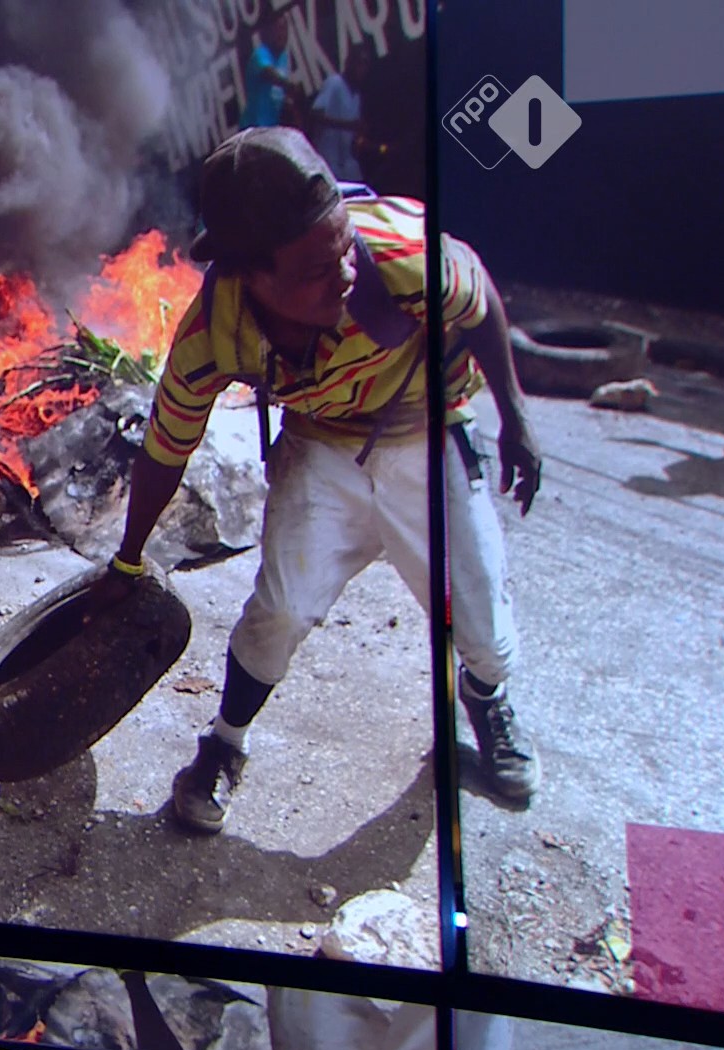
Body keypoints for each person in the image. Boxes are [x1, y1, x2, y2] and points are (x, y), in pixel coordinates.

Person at [93, 127, 543, 834]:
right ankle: (224, 744)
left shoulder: (397, 250)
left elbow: (478, 292)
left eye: (344, 249)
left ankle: (484, 699)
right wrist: (127, 560)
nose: (344, 274)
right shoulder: (215, 333)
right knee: (281, 609)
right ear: (251, 275)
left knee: (484, 626)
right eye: (314, 269)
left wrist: (517, 420)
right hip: (323, 441)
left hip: (425, 426)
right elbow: (166, 448)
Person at [310, 48, 370, 182]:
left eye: (365, 65)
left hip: (347, 165)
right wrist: (348, 125)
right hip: (328, 161)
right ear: (348, 63)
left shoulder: (357, 95)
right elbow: (315, 115)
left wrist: (358, 136)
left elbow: (353, 131)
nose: (361, 69)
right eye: (358, 63)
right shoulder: (334, 82)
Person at [238, 13, 293, 130]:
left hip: (272, 130)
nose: (282, 34)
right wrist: (290, 86)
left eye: (285, 29)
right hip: (253, 129)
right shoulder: (260, 54)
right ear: (269, 32)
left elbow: (279, 95)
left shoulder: (283, 58)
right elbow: (268, 73)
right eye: (278, 29)